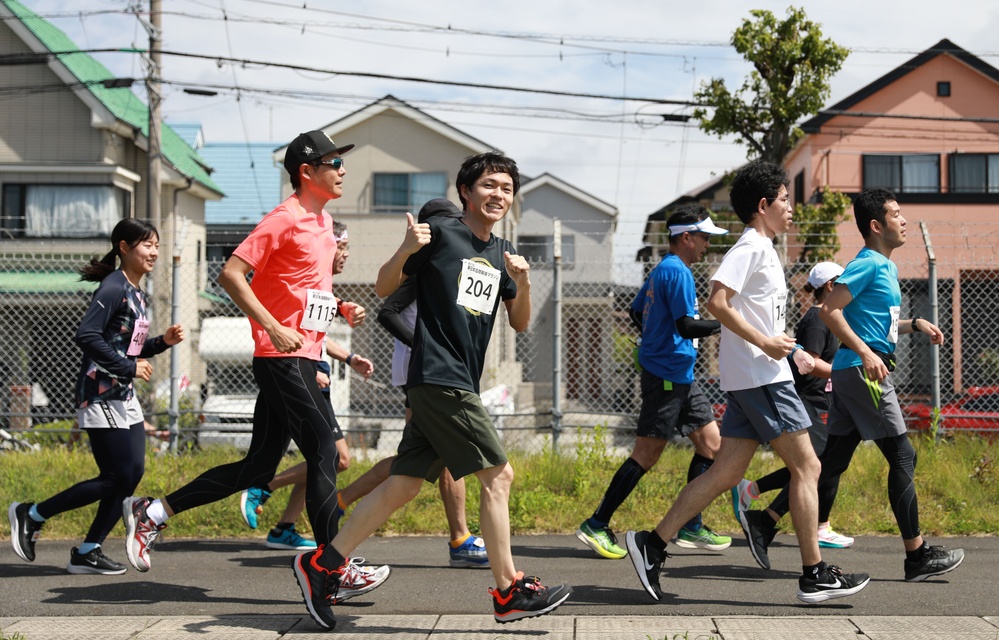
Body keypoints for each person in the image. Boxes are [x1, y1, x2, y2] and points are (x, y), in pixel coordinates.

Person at [291, 152, 571, 630]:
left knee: (403, 483)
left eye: (506, 187)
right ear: (466, 191)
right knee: (498, 477)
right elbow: (383, 288)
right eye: (489, 185)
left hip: (458, 380)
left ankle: (323, 564)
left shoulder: (501, 251)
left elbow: (520, 323)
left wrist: (522, 283)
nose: (498, 194)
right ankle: (508, 590)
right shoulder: (441, 236)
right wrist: (404, 250)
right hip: (439, 378)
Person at [121, 131, 388, 602]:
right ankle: (332, 564)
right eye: (333, 162)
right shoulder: (284, 218)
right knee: (325, 452)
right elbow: (231, 274)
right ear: (307, 171)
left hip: (302, 353)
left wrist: (338, 310)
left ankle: (153, 512)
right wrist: (273, 327)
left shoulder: (323, 223)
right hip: (282, 356)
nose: (342, 170)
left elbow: (302, 287)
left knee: (259, 466)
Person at [625, 159, 869, 605]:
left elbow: (757, 316)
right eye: (784, 199)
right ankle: (814, 574)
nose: (791, 207)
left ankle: (651, 544)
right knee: (808, 466)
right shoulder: (751, 247)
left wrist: (787, 347)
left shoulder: (765, 248)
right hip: (763, 379)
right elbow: (718, 301)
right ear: (763, 205)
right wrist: (765, 343)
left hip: (759, 375)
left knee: (727, 471)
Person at [8, 218, 184, 575]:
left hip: (124, 394)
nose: (153, 252)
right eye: (146, 245)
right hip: (101, 394)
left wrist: (160, 343)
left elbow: (128, 345)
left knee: (132, 474)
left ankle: (88, 550)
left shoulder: (137, 291)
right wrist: (127, 367)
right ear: (124, 247)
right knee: (115, 476)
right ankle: (32, 514)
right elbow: (87, 336)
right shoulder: (113, 286)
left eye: (156, 246)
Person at [816, 187, 965, 582]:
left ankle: (767, 518)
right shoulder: (868, 263)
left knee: (833, 460)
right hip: (864, 374)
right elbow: (829, 310)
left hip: (854, 372)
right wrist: (866, 353)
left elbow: (872, 323)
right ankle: (916, 556)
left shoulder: (885, 266)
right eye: (896, 214)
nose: (903, 220)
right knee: (903, 456)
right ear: (876, 226)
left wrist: (914, 324)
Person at [576, 203, 732, 560]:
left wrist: (656, 338)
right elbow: (686, 327)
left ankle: (691, 526)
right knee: (646, 455)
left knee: (711, 445)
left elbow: (635, 311)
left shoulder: (666, 269)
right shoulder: (676, 272)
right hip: (665, 376)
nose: (708, 244)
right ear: (686, 237)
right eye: (704, 237)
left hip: (681, 374)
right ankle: (597, 523)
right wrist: (728, 326)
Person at [239, 221, 374, 551]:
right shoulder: (304, 281)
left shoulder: (322, 286)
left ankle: (284, 526)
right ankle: (265, 485)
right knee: (336, 460)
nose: (345, 255)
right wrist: (308, 368)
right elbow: (294, 337)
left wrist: (349, 357)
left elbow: (317, 336)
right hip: (301, 376)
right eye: (341, 247)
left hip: (312, 373)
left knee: (319, 459)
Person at [732, 261, 855, 552]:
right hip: (809, 403)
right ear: (830, 286)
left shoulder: (829, 317)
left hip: (821, 402)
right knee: (814, 467)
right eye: (843, 282)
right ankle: (769, 517)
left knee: (816, 466)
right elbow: (808, 364)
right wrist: (843, 371)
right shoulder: (816, 320)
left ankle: (758, 494)